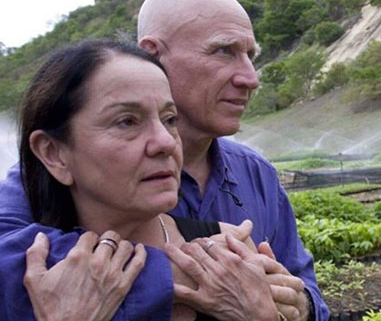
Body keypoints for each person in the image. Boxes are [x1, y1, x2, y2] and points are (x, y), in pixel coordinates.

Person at [0, 0, 328, 321]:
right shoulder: (42, 180)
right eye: (223, 51)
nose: (250, 78)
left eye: (251, 56)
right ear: (153, 53)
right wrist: (188, 272)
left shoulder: (257, 175)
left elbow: (305, 291)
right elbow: (13, 260)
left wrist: (294, 305)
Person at [14, 39, 287, 321]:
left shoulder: (232, 251)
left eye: (170, 120)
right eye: (127, 122)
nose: (165, 143)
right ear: (54, 153)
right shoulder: (28, 277)